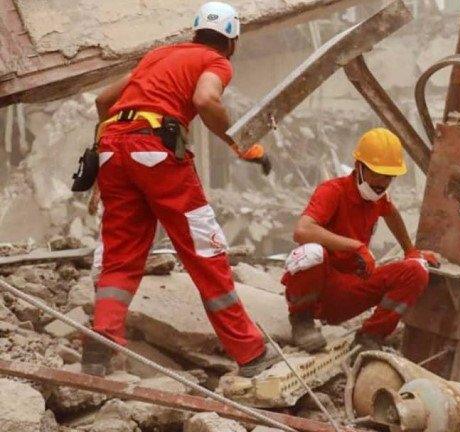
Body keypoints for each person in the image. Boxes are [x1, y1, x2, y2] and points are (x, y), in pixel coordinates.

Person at [82, 1, 277, 378]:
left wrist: (106, 149)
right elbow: (206, 100)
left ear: (194, 32)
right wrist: (241, 145)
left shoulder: (159, 55)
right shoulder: (216, 61)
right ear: (232, 42)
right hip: (155, 150)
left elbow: (104, 100)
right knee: (205, 250)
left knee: (121, 256)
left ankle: (100, 348)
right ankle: (251, 353)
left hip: (114, 150)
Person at [281, 128, 438, 352]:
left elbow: (391, 213)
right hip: (320, 290)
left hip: (350, 290)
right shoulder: (333, 191)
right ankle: (302, 322)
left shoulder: (377, 196)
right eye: (377, 173)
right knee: (310, 252)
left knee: (416, 270)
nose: (383, 182)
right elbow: (302, 231)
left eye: (389, 176)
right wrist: (356, 246)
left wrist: (410, 250)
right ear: (359, 167)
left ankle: (371, 335)